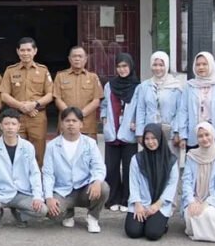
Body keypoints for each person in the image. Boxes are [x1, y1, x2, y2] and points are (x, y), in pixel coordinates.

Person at [0, 109, 48, 229]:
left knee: (42, 210)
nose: (10, 127)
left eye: (13, 124)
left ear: (19, 126)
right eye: (6, 124)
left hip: (21, 193)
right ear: (1, 126)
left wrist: (37, 197)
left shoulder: (27, 147)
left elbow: (34, 173)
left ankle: (20, 213)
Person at [42, 107, 109, 234]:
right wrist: (49, 197)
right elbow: (48, 174)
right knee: (49, 212)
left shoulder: (90, 143)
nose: (71, 124)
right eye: (67, 121)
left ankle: (93, 217)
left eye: (74, 120)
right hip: (63, 191)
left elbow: (98, 166)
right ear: (61, 124)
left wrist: (96, 181)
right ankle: (68, 213)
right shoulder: (52, 146)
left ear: (81, 124)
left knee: (103, 187)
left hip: (84, 189)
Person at [0, 37, 54, 165]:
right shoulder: (10, 70)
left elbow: (51, 94)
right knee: (17, 151)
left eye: (29, 50)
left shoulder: (43, 70)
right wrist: (21, 106)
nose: (25, 53)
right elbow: (4, 95)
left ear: (35, 51)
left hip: (38, 117)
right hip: (16, 117)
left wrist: (34, 104)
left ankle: (38, 183)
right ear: (17, 51)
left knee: (38, 152)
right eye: (22, 50)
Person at [126, 124, 180, 241]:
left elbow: (172, 185)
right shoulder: (137, 159)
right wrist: (138, 203)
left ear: (160, 138)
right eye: (147, 139)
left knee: (152, 233)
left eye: (154, 138)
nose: (150, 142)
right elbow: (133, 183)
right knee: (133, 231)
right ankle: (148, 221)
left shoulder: (171, 160)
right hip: (141, 202)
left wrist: (157, 205)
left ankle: (160, 223)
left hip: (160, 203)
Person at [101, 53, 139, 212]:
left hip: (129, 133)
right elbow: (104, 104)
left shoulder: (138, 86)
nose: (122, 70)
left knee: (130, 167)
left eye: (125, 66)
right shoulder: (109, 85)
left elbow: (140, 107)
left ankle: (127, 199)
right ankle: (113, 199)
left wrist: (137, 122)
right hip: (112, 130)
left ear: (130, 67)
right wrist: (104, 119)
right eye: (119, 66)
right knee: (111, 167)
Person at [176, 51, 215, 150]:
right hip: (194, 135)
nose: (201, 67)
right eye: (198, 64)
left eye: (205, 64)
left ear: (211, 65)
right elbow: (183, 111)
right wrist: (183, 135)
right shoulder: (189, 86)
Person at [135, 51, 184, 156]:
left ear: (166, 66)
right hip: (150, 134)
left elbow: (180, 111)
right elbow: (141, 109)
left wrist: (176, 131)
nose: (158, 68)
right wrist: (140, 132)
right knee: (151, 164)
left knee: (169, 164)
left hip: (169, 133)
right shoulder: (144, 86)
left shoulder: (176, 87)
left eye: (161, 65)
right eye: (155, 65)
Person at [52, 46, 103, 140]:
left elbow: (96, 100)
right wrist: (70, 115)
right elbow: (57, 99)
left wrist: (80, 115)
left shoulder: (93, 77)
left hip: (87, 126)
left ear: (85, 59)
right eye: (74, 56)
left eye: (80, 56)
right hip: (66, 125)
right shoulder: (60, 76)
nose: (77, 59)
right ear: (69, 59)